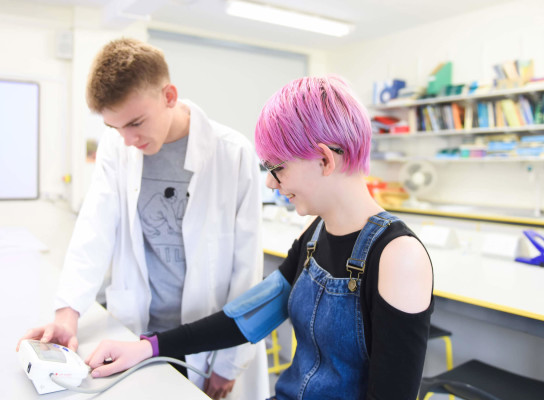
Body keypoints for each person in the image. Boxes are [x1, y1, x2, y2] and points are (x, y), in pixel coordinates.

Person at [85, 75, 434, 399]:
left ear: (325, 160)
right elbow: (245, 316)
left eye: (277, 168)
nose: (269, 182)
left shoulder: (398, 256)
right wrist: (148, 347)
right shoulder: (315, 235)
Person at [17, 38, 269, 400]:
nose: (128, 139)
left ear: (169, 95)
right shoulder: (117, 147)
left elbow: (247, 268)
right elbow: (94, 228)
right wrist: (66, 314)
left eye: (135, 123)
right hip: (138, 333)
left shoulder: (232, 152)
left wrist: (229, 364)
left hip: (208, 337)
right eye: (115, 127)